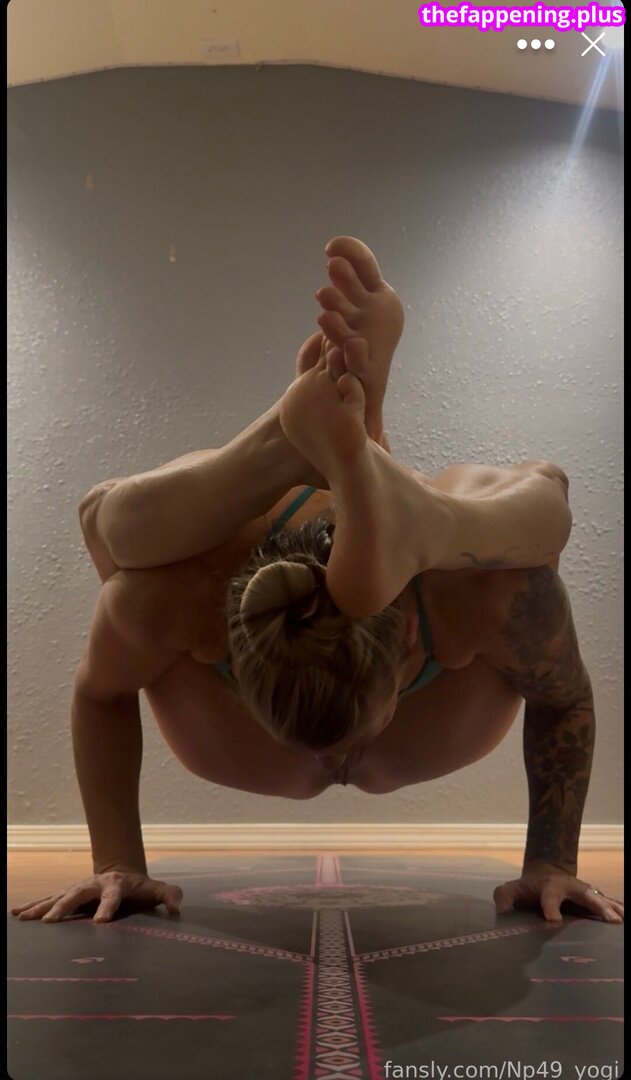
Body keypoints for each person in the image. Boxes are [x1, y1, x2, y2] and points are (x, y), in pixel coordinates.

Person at [11, 238, 623, 929]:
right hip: (308, 555)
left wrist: (552, 860)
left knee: (524, 546)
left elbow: (564, 696)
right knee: (116, 540)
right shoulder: (183, 595)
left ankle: (393, 489)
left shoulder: (471, 600)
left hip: (423, 571)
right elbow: (101, 692)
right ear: (230, 641)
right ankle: (327, 455)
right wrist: (116, 860)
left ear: (409, 634)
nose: (332, 759)